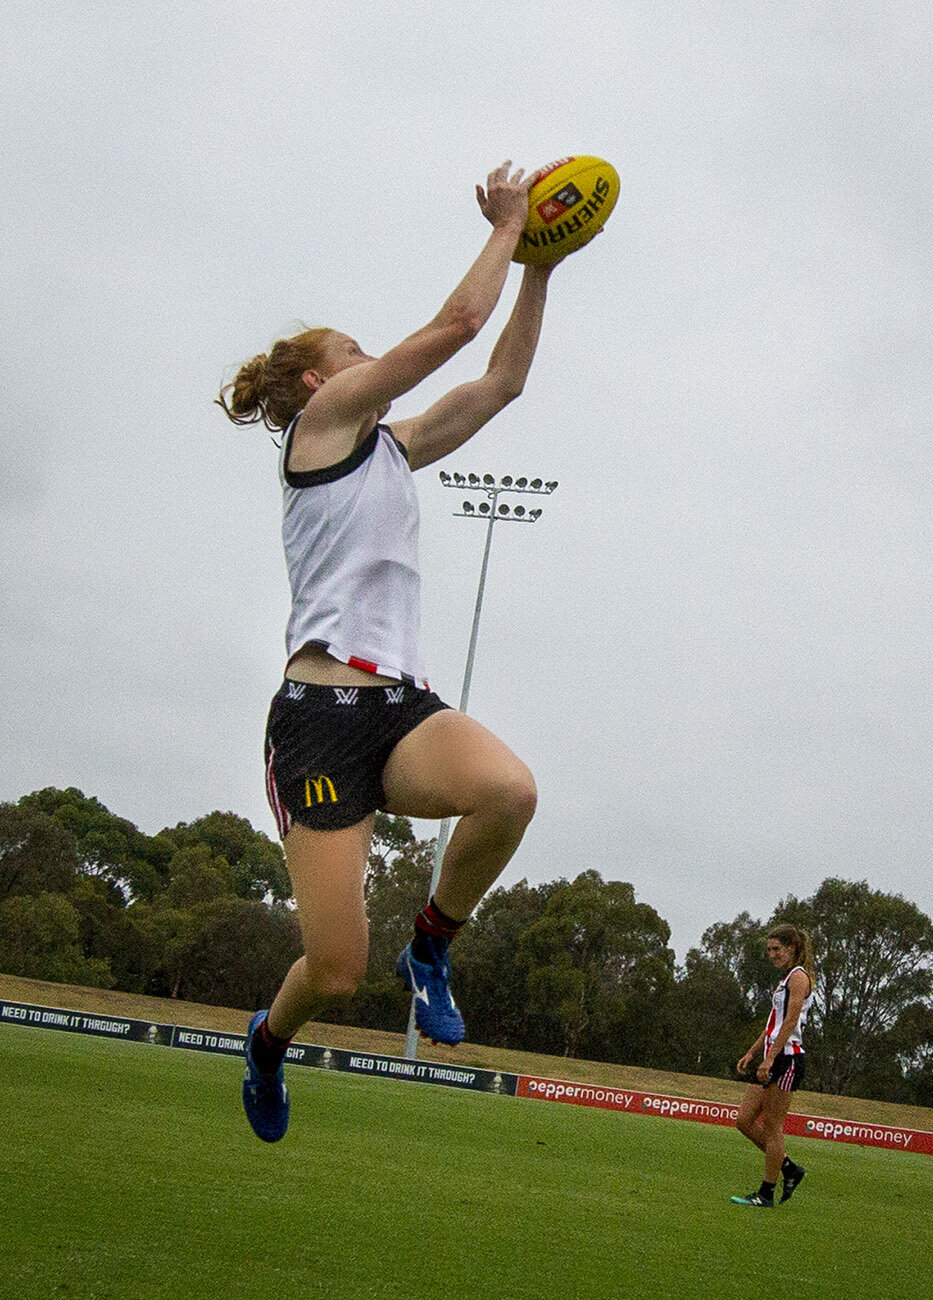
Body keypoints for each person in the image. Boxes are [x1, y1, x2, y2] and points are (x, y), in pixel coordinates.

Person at [217, 162, 570, 1142]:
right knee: (332, 973)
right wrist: (507, 224)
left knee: (509, 791)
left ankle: (433, 945)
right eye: (355, 350)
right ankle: (267, 1042)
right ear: (316, 382)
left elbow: (497, 378)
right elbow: (455, 329)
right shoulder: (318, 431)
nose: (374, 358)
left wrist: (540, 263)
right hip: (317, 726)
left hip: (399, 710)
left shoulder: (392, 447)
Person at [730, 924, 814, 1207]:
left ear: (792, 949)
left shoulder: (799, 978)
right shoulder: (785, 979)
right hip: (772, 1055)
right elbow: (773, 1023)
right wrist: (753, 1052)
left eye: (777, 949)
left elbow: (790, 1023)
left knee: (773, 1125)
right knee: (744, 1120)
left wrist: (770, 1058)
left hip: (787, 1059)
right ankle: (788, 1168)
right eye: (769, 950)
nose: (772, 954)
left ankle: (766, 1193)